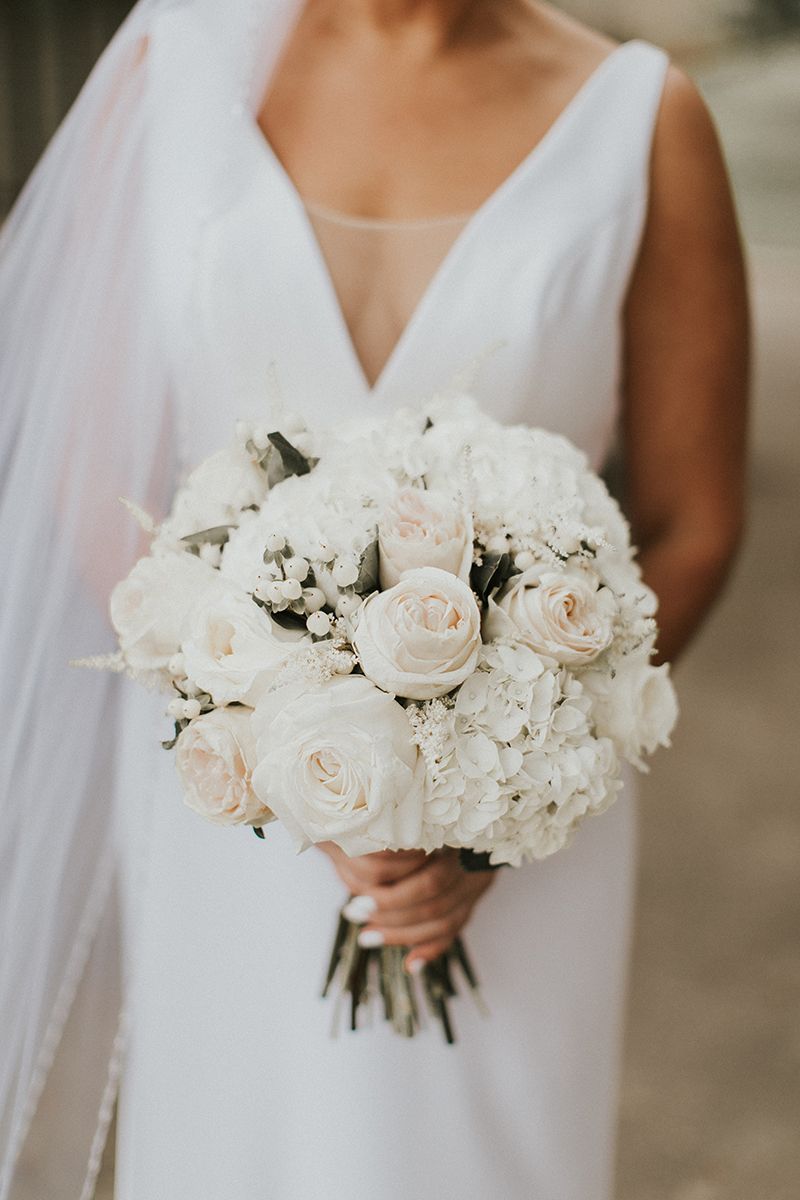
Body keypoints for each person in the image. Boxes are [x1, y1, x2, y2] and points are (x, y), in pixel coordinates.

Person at [0, 1, 748, 1197]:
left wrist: (485, 802)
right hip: (228, 804)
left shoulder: (640, 118)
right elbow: (95, 469)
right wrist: (256, 717)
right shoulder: (164, 75)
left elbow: (691, 518)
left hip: (514, 828)